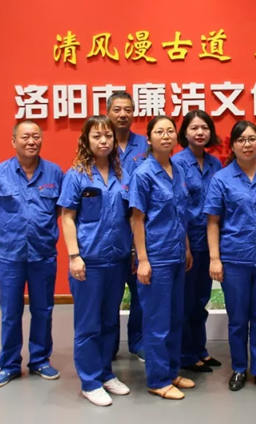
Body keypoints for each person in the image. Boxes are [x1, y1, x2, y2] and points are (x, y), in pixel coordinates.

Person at [0, 120, 64, 389]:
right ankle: (9, 364)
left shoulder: (54, 172)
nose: (31, 141)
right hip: (10, 256)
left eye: (36, 136)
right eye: (25, 137)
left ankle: (39, 360)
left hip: (43, 254)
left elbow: (60, 210)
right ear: (13, 141)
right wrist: (8, 229)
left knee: (43, 310)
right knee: (10, 312)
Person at [205, 121, 256, 397]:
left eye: (252, 139)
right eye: (241, 140)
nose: (247, 144)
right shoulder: (221, 179)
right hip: (234, 259)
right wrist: (215, 259)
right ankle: (239, 367)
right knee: (238, 319)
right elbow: (213, 221)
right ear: (233, 145)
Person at [57, 116, 132, 407]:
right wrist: (74, 256)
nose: (103, 141)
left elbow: (130, 216)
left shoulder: (123, 174)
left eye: (108, 136)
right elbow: (67, 218)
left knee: (110, 321)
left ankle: (105, 373)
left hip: (117, 259)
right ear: (86, 141)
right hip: (89, 261)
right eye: (97, 136)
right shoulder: (76, 175)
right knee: (89, 324)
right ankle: (89, 382)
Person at [129, 116, 194, 400]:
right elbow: (137, 219)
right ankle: (157, 380)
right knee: (157, 322)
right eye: (159, 131)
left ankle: (172, 371)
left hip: (177, 254)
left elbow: (182, 213)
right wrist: (142, 260)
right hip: (156, 257)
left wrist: (187, 247)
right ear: (149, 138)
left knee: (176, 317)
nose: (166, 136)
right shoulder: (143, 173)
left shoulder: (177, 169)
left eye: (170, 131)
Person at [174, 110, 224, 373]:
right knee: (186, 301)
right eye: (194, 128)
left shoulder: (215, 163)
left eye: (204, 127)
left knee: (201, 299)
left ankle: (200, 350)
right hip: (188, 243)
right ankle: (186, 354)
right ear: (185, 132)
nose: (200, 132)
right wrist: (186, 246)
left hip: (210, 242)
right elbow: (177, 208)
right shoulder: (177, 163)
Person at [107, 91, 149, 362]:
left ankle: (138, 342)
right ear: (108, 112)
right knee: (110, 293)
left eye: (128, 110)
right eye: (117, 109)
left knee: (140, 291)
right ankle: (109, 345)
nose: (123, 114)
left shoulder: (145, 144)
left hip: (141, 227)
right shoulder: (100, 142)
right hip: (109, 228)